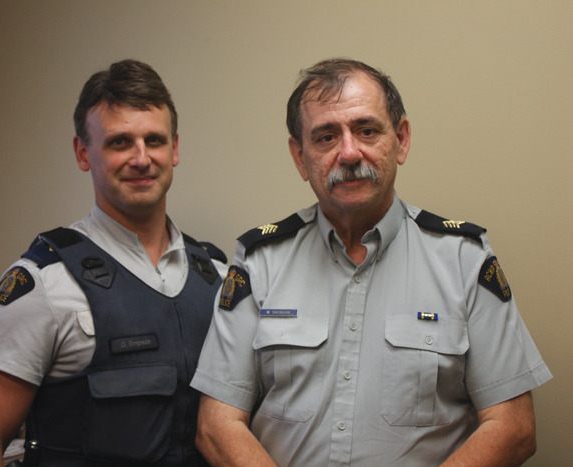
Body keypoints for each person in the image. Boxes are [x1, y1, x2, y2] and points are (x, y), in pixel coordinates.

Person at [191, 58, 551, 466]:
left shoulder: (463, 260)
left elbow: (513, 426)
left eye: (366, 130)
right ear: (299, 156)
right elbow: (217, 426)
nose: (348, 152)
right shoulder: (260, 263)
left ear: (401, 139)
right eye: (326, 137)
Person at [0, 59, 226, 467]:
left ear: (175, 150)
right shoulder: (43, 284)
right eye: (119, 143)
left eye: (154, 140)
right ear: (83, 153)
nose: (141, 158)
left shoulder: (216, 277)